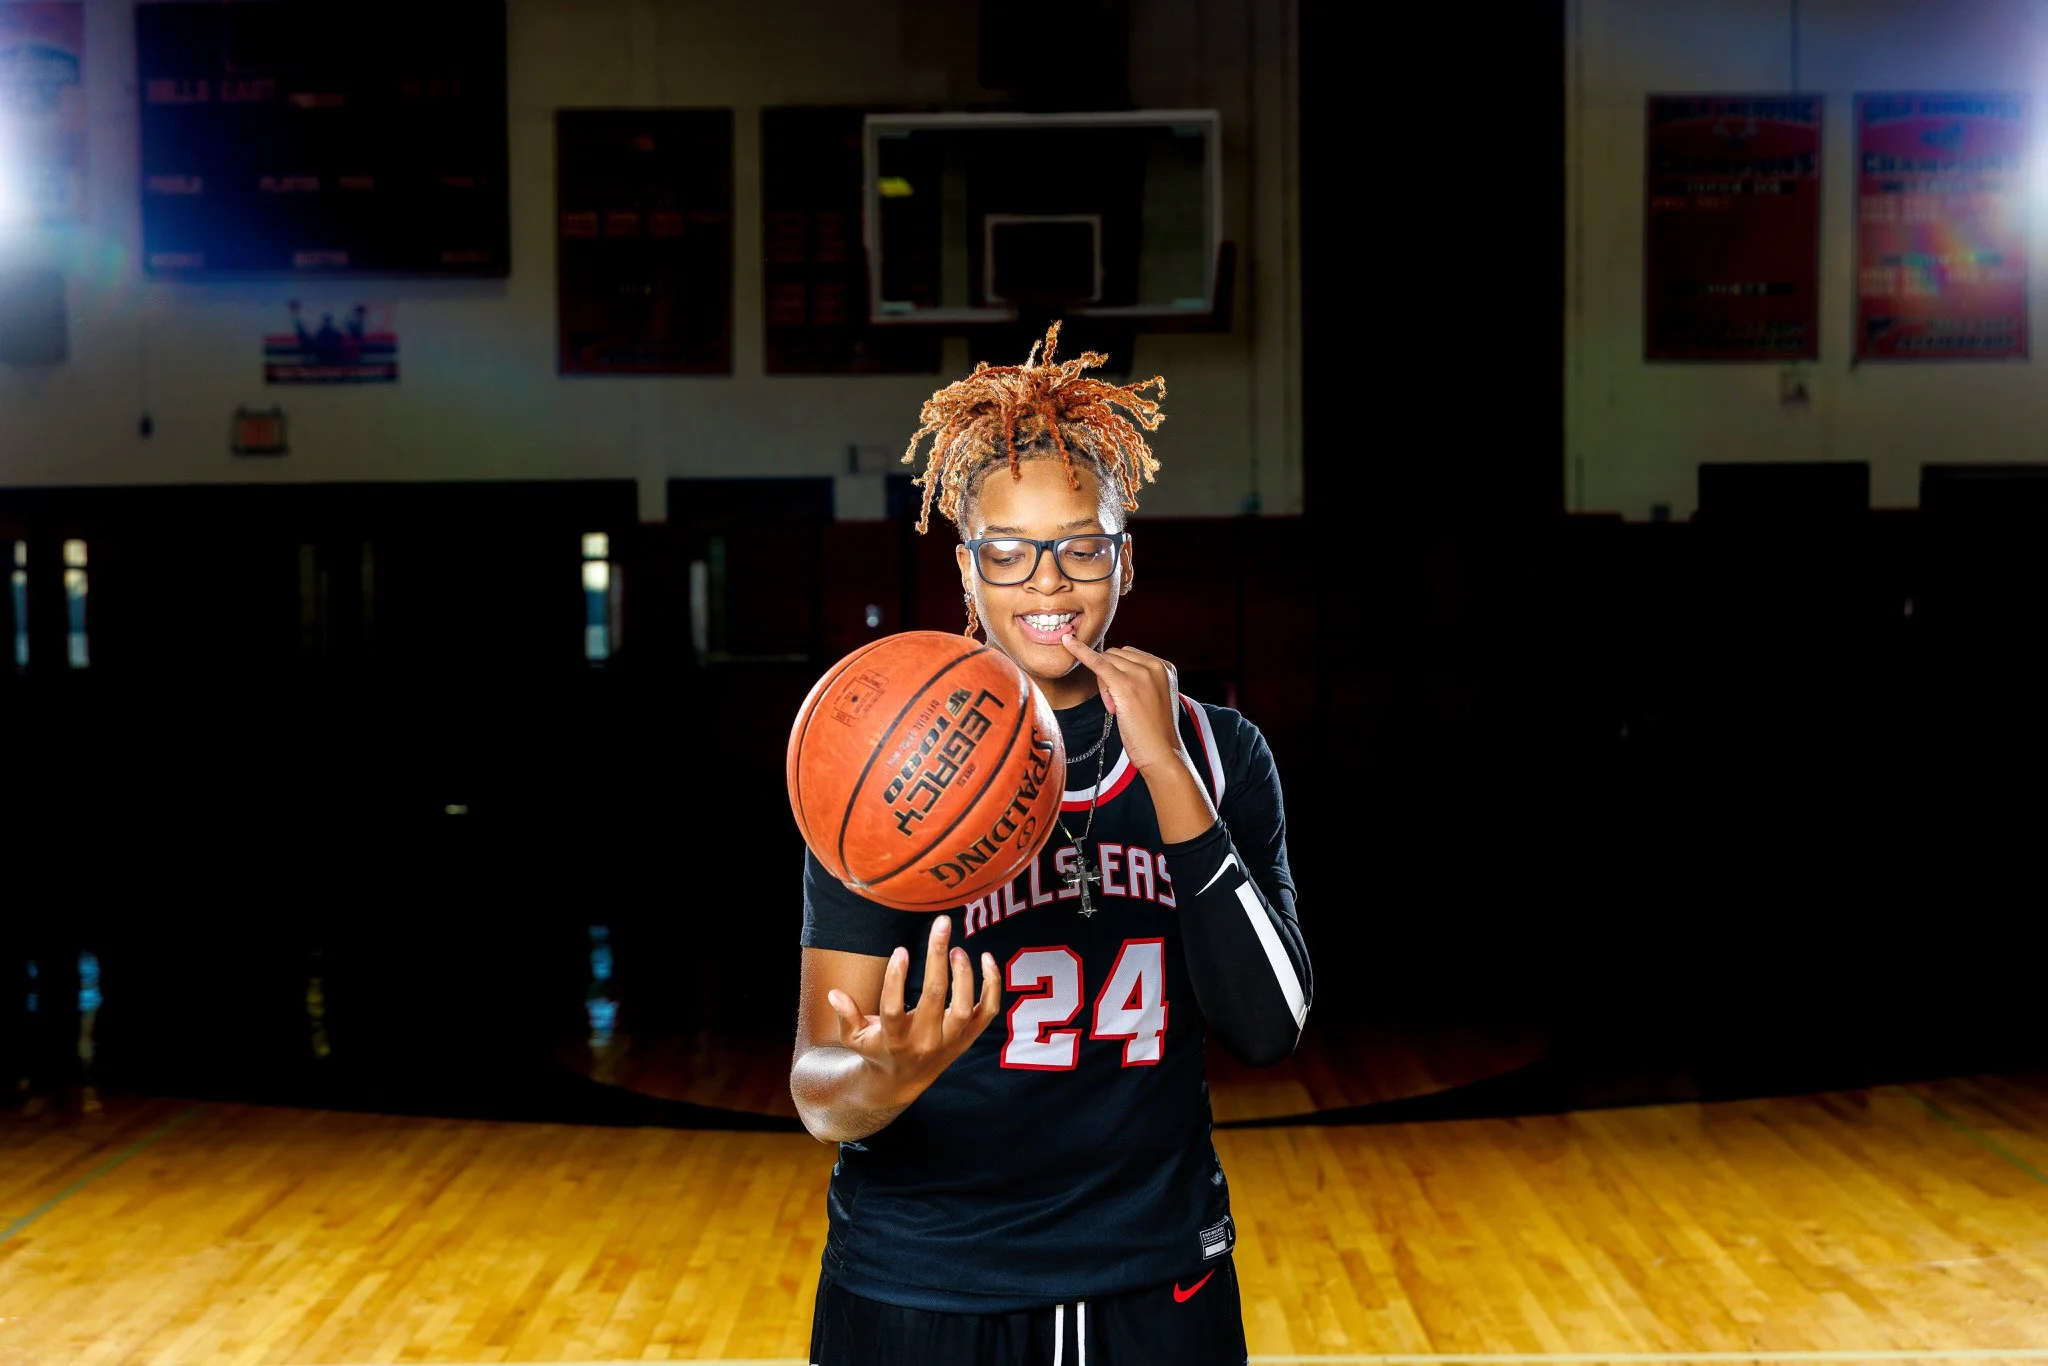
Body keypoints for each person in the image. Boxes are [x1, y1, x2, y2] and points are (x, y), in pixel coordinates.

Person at [792, 324, 1313, 1365]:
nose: (1047, 582)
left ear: (1123, 556)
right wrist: (881, 1078)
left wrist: (1163, 766)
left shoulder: (1217, 750)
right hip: (922, 1275)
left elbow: (1270, 1026)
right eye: (1008, 551)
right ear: (965, 568)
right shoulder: (876, 761)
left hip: (1149, 1270)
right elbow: (818, 1082)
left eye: (1081, 544)